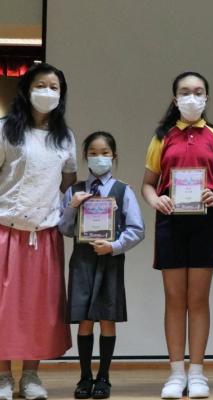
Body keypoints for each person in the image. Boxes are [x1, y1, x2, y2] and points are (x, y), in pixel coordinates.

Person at [141, 71, 213, 399]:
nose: (191, 97)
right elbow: (147, 185)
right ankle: (175, 372)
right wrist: (156, 200)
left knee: (197, 300)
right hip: (170, 222)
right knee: (174, 299)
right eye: (185, 92)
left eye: (198, 92)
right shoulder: (162, 138)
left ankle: (197, 372)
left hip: (205, 222)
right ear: (175, 99)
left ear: (206, 98)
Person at [0, 63, 76, 400]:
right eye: (41, 85)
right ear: (27, 89)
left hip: (45, 232)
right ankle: (3, 376)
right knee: (4, 307)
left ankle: (31, 375)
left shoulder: (65, 137)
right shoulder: (6, 130)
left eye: (54, 87)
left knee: (38, 307)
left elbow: (68, 180)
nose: (47, 92)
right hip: (6, 228)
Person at [59, 131, 144, 399]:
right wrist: (72, 207)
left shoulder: (123, 190)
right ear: (85, 157)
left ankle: (104, 378)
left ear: (114, 156)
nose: (99, 158)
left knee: (107, 318)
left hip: (110, 260)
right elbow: (64, 228)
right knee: (84, 320)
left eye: (105, 153)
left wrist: (114, 246)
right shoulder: (74, 190)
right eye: (93, 153)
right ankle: (84, 378)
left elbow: (137, 229)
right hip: (82, 260)